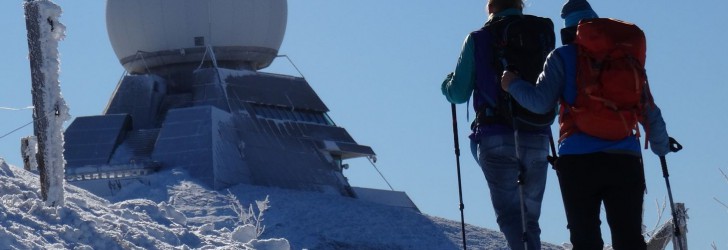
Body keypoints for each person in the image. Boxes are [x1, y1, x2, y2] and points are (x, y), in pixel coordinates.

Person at [500, 0, 673, 249]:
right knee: (629, 238)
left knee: (585, 238)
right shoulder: (623, 57)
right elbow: (648, 110)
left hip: (578, 161)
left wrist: (512, 84)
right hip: (625, 159)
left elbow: (539, 103)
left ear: (567, 30)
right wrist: (661, 147)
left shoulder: (561, 56)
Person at [441, 0, 554, 249]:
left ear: (491, 7)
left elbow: (458, 93)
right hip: (537, 134)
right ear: (520, 5)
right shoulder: (541, 34)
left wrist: (446, 85)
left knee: (511, 215)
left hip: (495, 134)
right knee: (530, 218)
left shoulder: (479, 38)